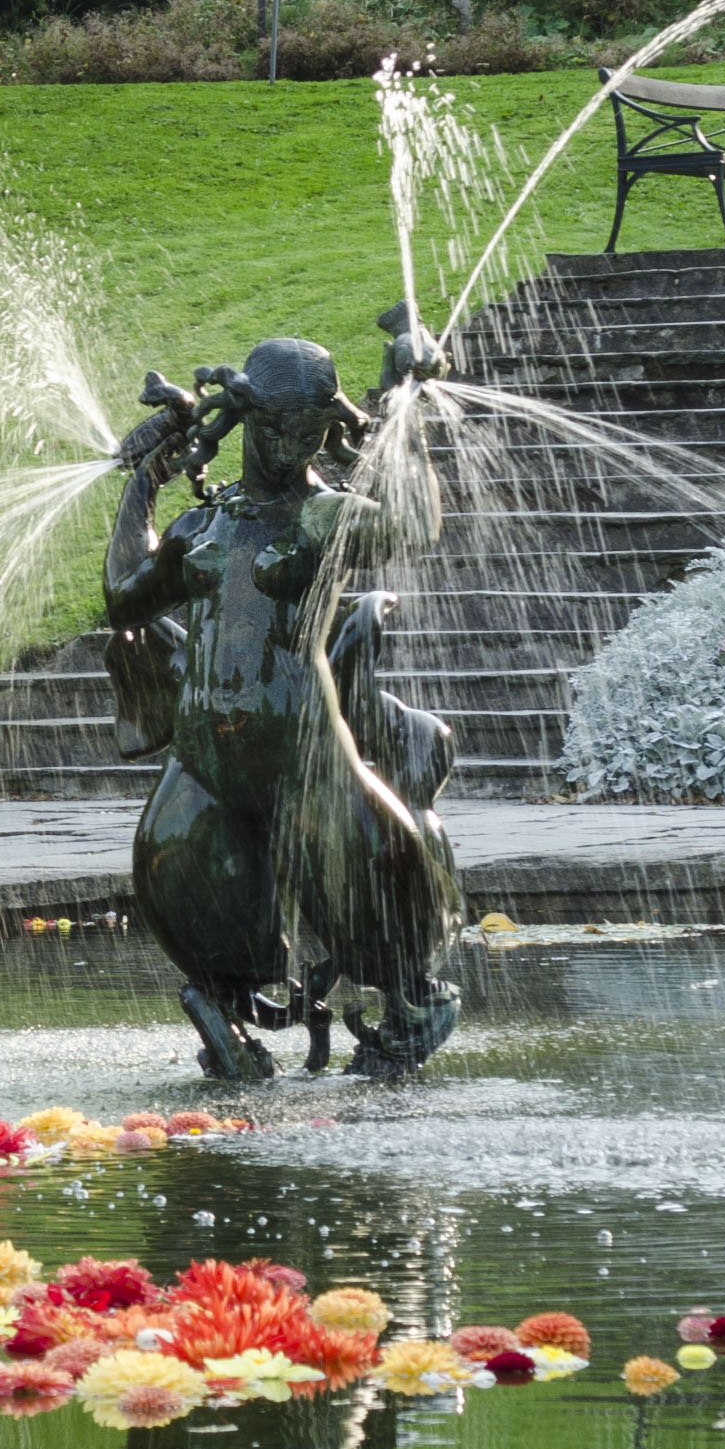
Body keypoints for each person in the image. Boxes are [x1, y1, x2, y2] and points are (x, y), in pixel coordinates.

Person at [101, 323, 464, 1078]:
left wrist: (408, 413)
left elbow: (413, 525)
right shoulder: (205, 524)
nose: (291, 446)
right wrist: (145, 480)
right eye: (275, 427)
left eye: (308, 430)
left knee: (373, 888)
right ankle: (223, 1009)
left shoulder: (324, 516)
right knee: (172, 876)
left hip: (304, 756)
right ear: (245, 416)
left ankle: (411, 1002)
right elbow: (125, 599)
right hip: (205, 759)